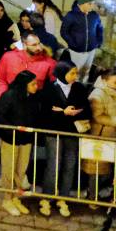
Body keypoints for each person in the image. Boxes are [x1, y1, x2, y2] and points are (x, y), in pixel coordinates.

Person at [38, 59, 89, 217]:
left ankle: (63, 197)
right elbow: (44, 112)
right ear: (61, 73)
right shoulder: (49, 88)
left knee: (70, 164)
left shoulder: (79, 88)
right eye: (72, 73)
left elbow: (86, 108)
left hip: (72, 132)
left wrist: (74, 112)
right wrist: (62, 112)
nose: (75, 76)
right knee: (54, 164)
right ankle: (47, 197)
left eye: (76, 73)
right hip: (54, 132)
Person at [0, 70, 41, 216]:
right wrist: (12, 131)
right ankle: (7, 199)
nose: (36, 86)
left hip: (26, 140)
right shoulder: (9, 96)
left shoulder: (32, 98)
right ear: (24, 84)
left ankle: (16, 197)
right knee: (9, 170)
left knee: (21, 170)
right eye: (33, 84)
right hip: (11, 140)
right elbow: (0, 116)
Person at [0, 33, 55, 99]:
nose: (39, 48)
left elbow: (55, 85)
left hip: (35, 102)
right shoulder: (8, 57)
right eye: (34, 45)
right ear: (24, 45)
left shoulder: (49, 63)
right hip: (11, 100)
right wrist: (3, 96)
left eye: (39, 44)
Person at [60, 0, 103, 81]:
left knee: (87, 71)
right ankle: (74, 90)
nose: (92, 6)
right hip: (77, 52)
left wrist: (98, 42)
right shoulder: (71, 16)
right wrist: (73, 43)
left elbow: (100, 29)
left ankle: (82, 89)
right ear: (81, 3)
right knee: (76, 72)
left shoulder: (94, 15)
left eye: (93, 4)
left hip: (91, 50)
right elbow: (64, 32)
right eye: (90, 4)